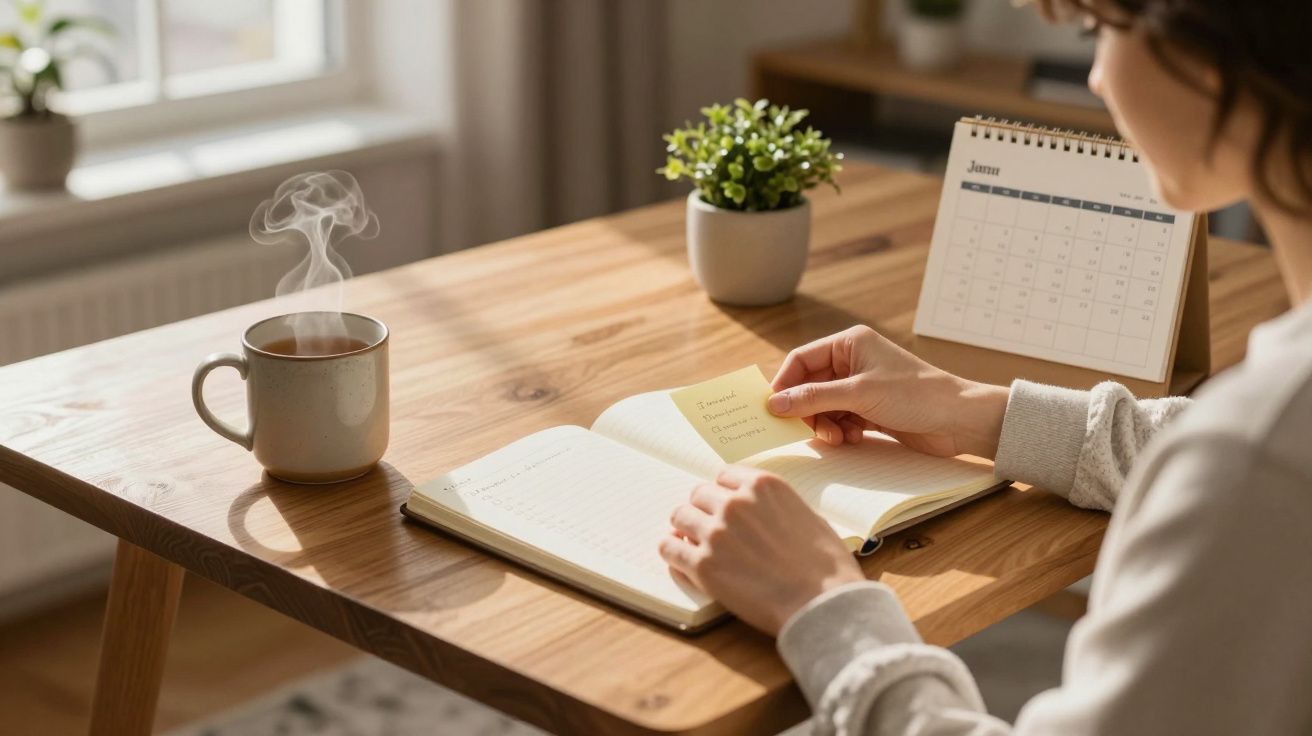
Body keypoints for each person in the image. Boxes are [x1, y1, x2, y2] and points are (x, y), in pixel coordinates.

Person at [657, 1, 1312, 733]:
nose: (1095, 77)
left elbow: (1248, 467)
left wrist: (820, 604)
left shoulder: (1253, 457)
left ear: (1209, 46)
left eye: (1100, 30)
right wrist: (972, 408)